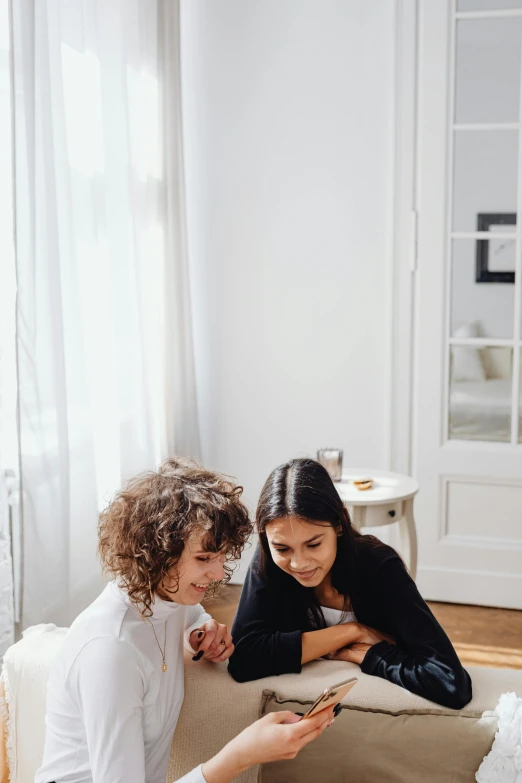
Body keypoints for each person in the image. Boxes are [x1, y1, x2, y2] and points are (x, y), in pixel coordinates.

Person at [35, 458, 336, 783]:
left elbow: (191, 615)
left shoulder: (167, 599)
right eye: (204, 558)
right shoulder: (111, 651)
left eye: (220, 556)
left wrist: (201, 629)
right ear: (156, 552)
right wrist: (242, 754)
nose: (219, 573)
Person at [229, 458, 472, 710]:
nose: (299, 563)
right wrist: (353, 632)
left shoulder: (380, 567)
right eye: (282, 548)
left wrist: (373, 656)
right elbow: (242, 659)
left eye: (313, 544)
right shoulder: (268, 562)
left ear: (340, 525)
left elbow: (451, 683)